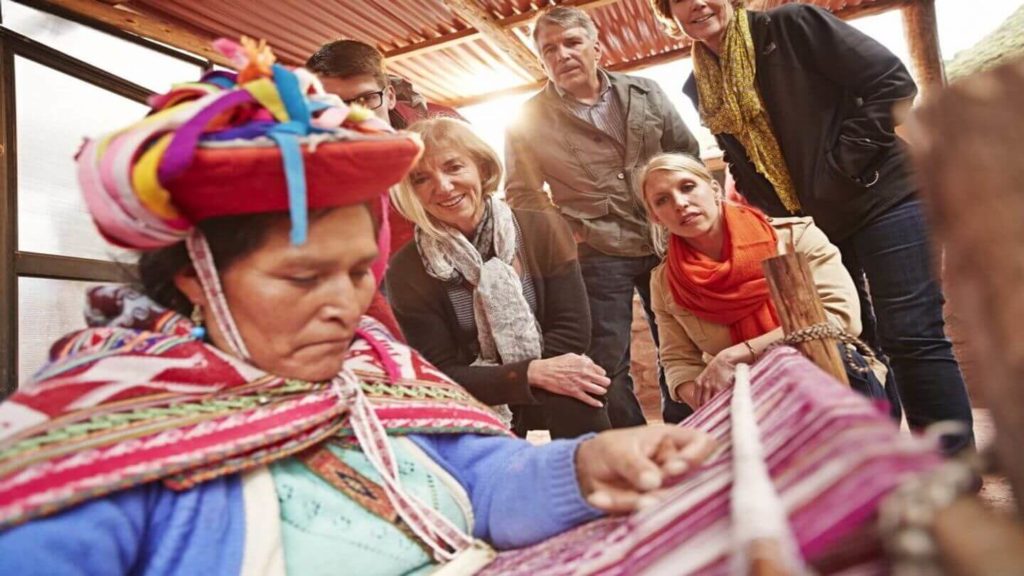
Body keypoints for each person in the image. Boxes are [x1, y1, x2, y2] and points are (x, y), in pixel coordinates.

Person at [0, 42, 717, 574]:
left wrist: (588, 465)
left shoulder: (374, 369)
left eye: (353, 272)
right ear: (196, 277)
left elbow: (484, 476)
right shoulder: (101, 432)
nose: (345, 305)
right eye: (303, 278)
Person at [650, 0, 973, 450]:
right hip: (815, 223)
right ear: (670, 14)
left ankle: (951, 466)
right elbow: (736, 156)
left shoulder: (793, 25)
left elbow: (892, 83)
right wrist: (773, 206)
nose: (697, 3)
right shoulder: (696, 82)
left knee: (910, 333)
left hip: (883, 197)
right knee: (859, 339)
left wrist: (843, 167)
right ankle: (883, 460)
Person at [505, 5, 701, 426]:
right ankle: (634, 447)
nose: (563, 55)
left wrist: (676, 208)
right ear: (542, 59)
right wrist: (567, 230)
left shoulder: (646, 91)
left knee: (684, 343)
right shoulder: (526, 119)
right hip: (597, 253)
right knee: (607, 359)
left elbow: (686, 154)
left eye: (572, 43)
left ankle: (688, 431)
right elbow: (521, 193)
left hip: (667, 241)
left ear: (597, 47)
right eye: (550, 49)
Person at [386, 118, 612, 439]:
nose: (443, 186)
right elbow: (438, 370)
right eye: (421, 178)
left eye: (454, 167)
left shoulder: (543, 228)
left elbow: (572, 330)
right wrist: (525, 375)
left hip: (551, 369)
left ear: (481, 167)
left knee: (580, 388)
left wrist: (537, 376)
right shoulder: (406, 269)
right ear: (409, 192)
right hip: (469, 393)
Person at [639, 153, 886, 408]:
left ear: (714, 188)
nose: (679, 203)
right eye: (662, 200)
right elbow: (678, 362)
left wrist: (736, 354)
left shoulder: (796, 238)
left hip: (835, 379)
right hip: (752, 400)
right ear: (656, 217)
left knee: (841, 356)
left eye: (688, 187)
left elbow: (839, 319)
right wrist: (715, 404)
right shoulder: (665, 282)